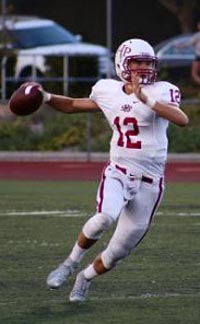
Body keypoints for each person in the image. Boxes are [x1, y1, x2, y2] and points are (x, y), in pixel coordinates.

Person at [37, 38, 189, 302]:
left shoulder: (163, 91)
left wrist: (147, 100)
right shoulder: (107, 90)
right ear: (122, 65)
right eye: (136, 62)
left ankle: (84, 278)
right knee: (105, 216)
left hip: (150, 183)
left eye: (147, 62)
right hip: (119, 170)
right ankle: (69, 264)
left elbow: (182, 119)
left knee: (117, 253)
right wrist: (46, 97)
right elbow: (74, 105)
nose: (143, 68)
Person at [176, 20, 200, 85]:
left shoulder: (197, 36)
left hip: (198, 57)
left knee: (194, 74)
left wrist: (178, 46)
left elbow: (187, 44)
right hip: (197, 57)